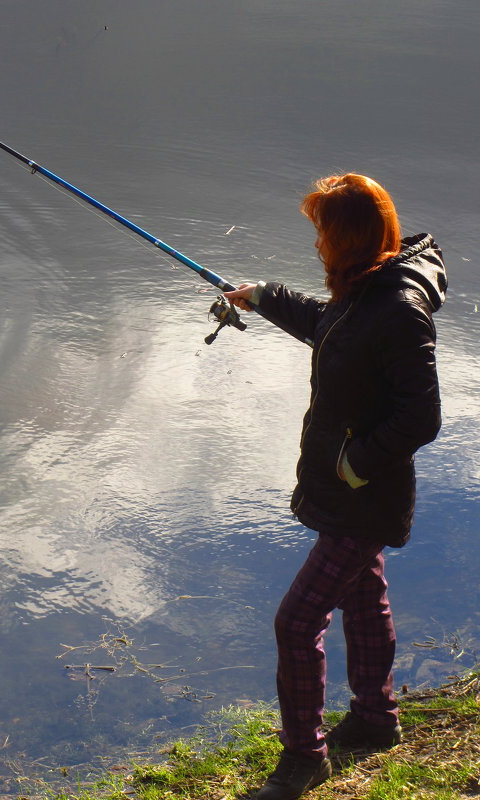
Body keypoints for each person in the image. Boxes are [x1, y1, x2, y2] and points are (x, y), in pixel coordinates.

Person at [224, 173, 447, 800]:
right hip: (348, 486)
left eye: (323, 231)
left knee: (296, 624)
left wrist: (356, 466)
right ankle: (376, 721)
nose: (317, 243)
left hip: (364, 494)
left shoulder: (398, 310)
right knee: (364, 598)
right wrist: (263, 296)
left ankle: (304, 758)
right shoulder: (365, 291)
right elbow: (332, 328)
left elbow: (421, 416)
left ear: (345, 240)